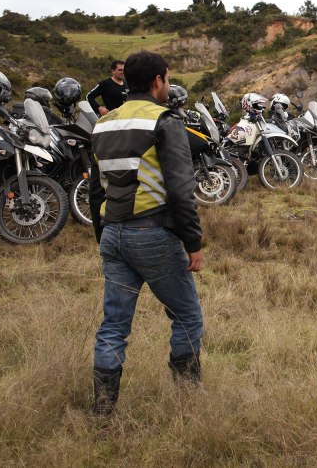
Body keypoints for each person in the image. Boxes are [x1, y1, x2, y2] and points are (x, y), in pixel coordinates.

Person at [88, 51, 204, 416]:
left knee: (114, 325)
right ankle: (188, 400)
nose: (168, 86)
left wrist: (103, 237)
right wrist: (193, 243)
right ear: (157, 81)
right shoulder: (165, 121)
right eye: (167, 79)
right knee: (187, 317)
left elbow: (95, 191)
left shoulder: (103, 125)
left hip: (113, 233)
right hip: (153, 233)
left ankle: (103, 411)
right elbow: (182, 190)